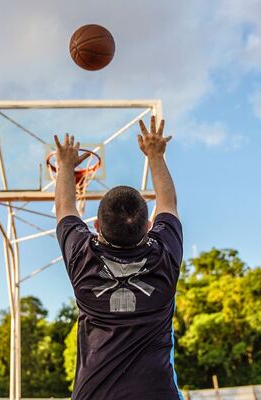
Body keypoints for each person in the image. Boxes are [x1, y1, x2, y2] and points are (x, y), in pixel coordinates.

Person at [55, 115, 184, 400]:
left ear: (96, 227)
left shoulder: (81, 258)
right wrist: (155, 155)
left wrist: (65, 166)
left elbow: (65, 208)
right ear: (149, 226)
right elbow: (169, 203)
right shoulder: (166, 256)